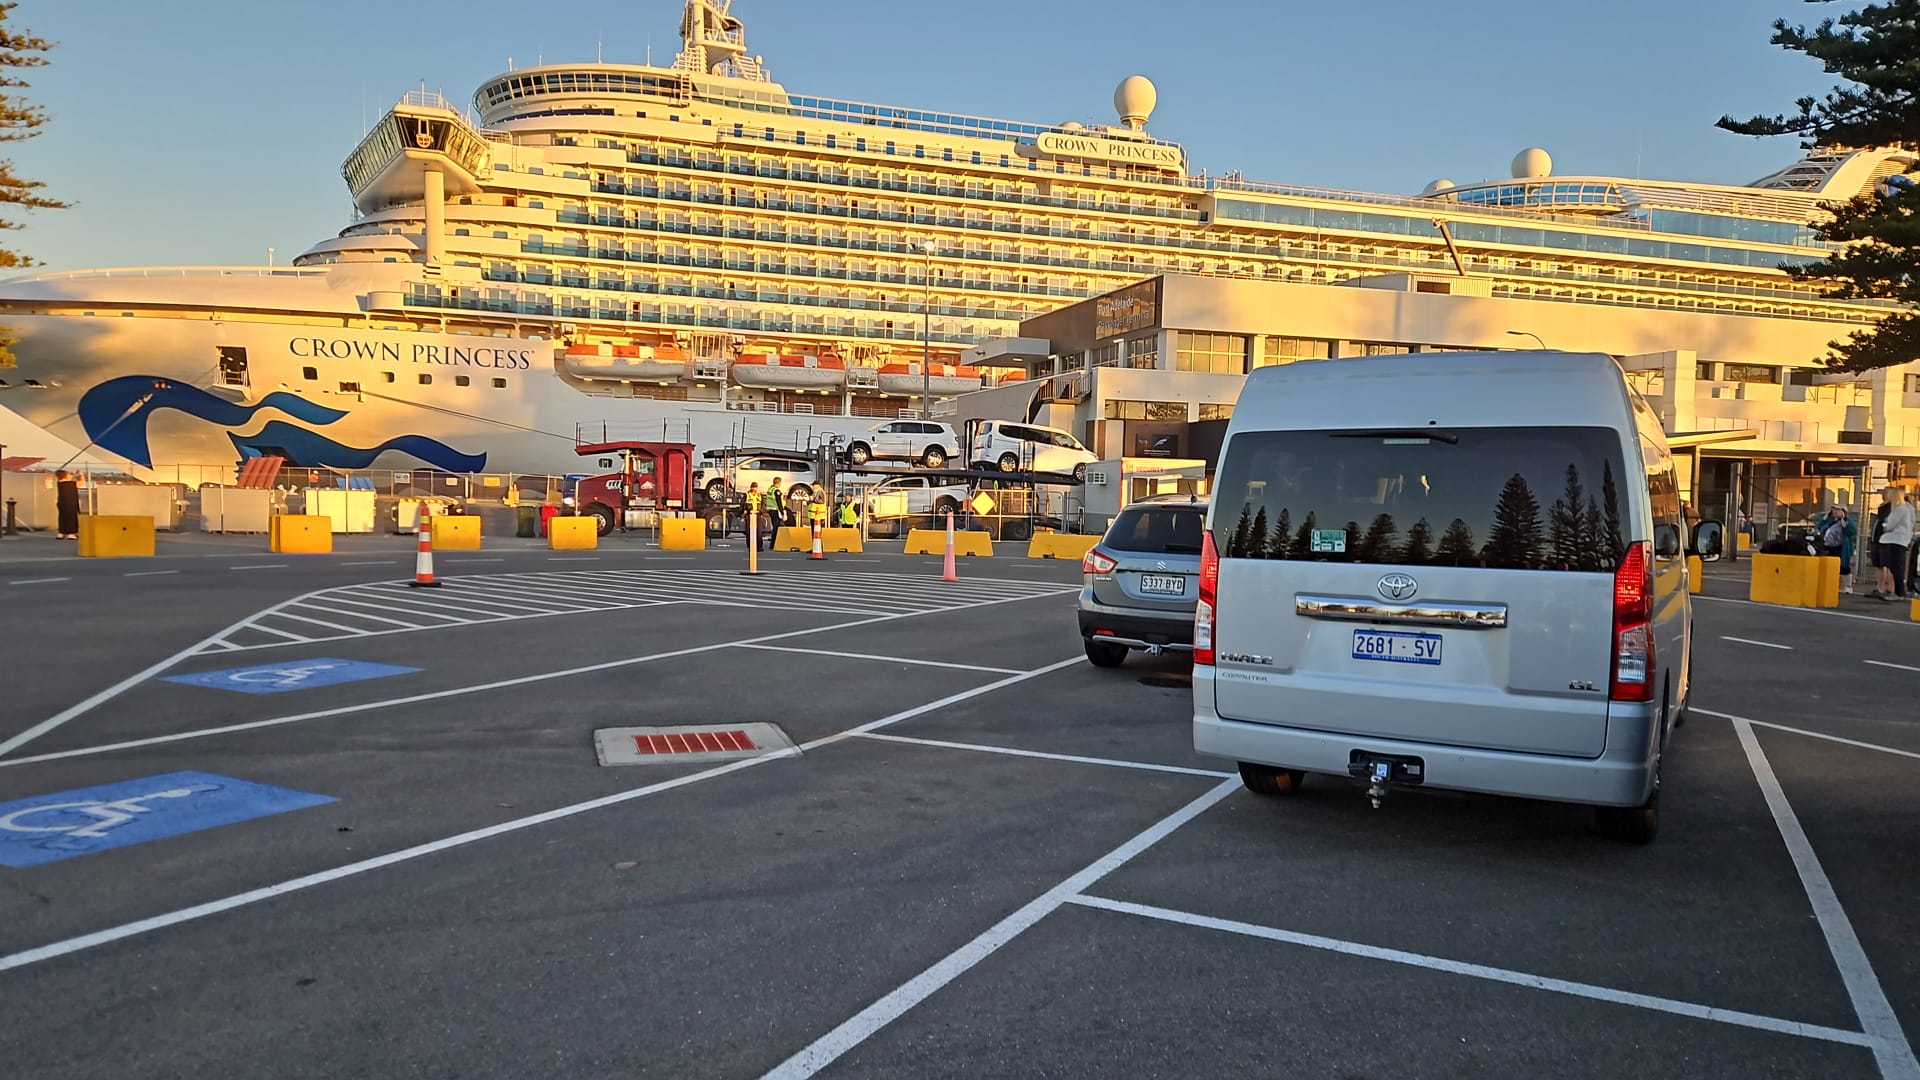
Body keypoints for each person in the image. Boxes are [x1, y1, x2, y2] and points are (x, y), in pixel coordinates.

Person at [1872, 486, 1913, 602]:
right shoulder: (1899, 509)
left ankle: (1898, 592)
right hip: (1893, 540)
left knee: (1896, 568)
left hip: (1896, 540)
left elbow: (1890, 525)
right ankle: (1897, 592)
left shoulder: (1900, 509)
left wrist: (1885, 525)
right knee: (1894, 567)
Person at [1821, 506, 1856, 594]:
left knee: (1843, 566)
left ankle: (1847, 586)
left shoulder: (1846, 521)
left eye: (1838, 510)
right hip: (1829, 546)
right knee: (1830, 566)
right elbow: (1820, 527)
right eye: (1834, 510)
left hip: (1841, 547)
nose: (1835, 512)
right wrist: (1825, 518)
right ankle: (1832, 585)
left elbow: (1852, 531)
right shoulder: (1831, 521)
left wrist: (1845, 523)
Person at [54, 469, 80, 540]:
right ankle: (71, 534)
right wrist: (81, 475)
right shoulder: (71, 484)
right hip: (70, 503)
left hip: (62, 503)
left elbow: (69, 477)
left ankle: (61, 533)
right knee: (71, 518)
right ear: (65, 476)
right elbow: (81, 483)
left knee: (62, 518)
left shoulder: (60, 483)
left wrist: (73, 473)